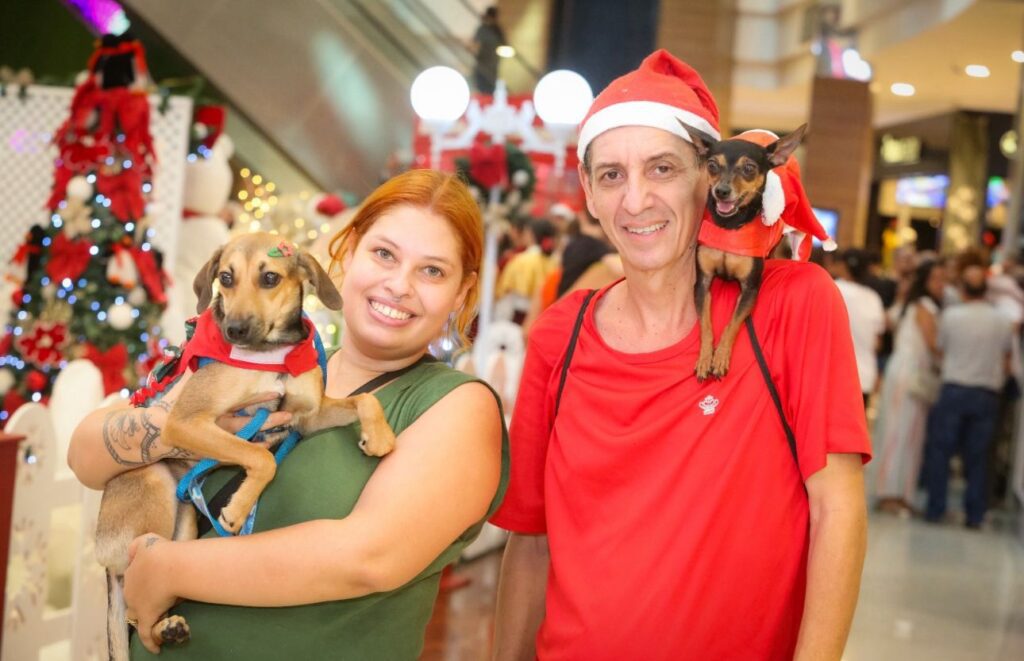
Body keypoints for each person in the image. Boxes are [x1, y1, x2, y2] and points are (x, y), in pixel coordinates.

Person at [491, 50, 870, 660]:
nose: (636, 200)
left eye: (662, 169)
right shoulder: (561, 331)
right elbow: (530, 543)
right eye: (611, 175)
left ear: (708, 178)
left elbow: (837, 513)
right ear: (587, 192)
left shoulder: (793, 304)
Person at [67, 169, 508, 659]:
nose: (399, 285)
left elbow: (368, 558)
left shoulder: (457, 406)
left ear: (462, 293)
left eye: (431, 271)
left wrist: (167, 567)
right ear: (349, 253)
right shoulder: (258, 363)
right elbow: (84, 457)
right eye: (384, 254)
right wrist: (174, 429)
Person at [922, 265, 1013, 528]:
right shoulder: (1001, 320)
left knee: (941, 453)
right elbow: (1007, 358)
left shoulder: (952, 316)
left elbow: (941, 348)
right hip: (987, 393)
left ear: (962, 289)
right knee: (979, 458)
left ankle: (935, 509)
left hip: (954, 388)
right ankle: (974, 514)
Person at [871, 258, 944, 515]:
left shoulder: (908, 305)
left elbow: (887, 322)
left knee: (901, 433)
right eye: (937, 279)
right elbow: (934, 345)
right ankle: (891, 493)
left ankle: (896, 493)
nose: (942, 284)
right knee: (901, 434)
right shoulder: (923, 306)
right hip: (910, 373)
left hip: (902, 371)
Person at [830, 248, 885, 408]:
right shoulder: (873, 298)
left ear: (842, 265)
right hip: (864, 377)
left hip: (834, 375)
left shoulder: (832, 288)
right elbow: (877, 343)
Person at [471, 6, 506, 95]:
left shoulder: (497, 30)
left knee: (490, 84)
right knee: (480, 82)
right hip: (482, 60)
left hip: (493, 62)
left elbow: (504, 44)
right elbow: (475, 43)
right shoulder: (482, 28)